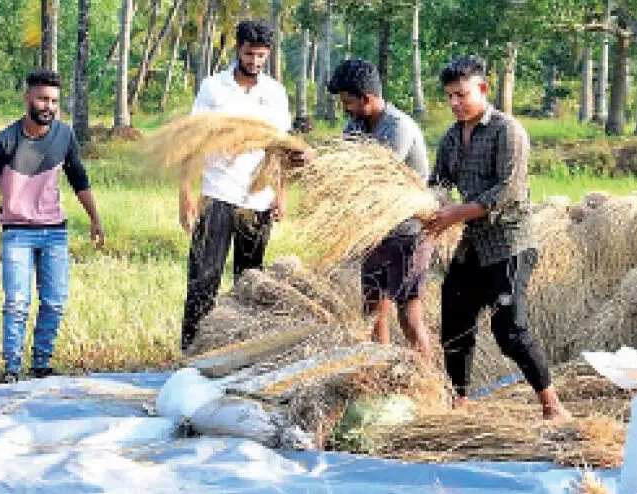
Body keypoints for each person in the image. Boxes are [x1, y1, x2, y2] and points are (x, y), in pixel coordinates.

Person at [423, 56, 569, 419]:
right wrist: (431, 206)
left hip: (510, 242)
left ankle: (552, 406)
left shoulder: (507, 131)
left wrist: (456, 213)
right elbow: (438, 183)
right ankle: (459, 404)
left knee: (509, 330)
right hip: (473, 242)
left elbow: (507, 191)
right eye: (449, 96)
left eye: (461, 95)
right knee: (454, 323)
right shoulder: (451, 138)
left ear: (483, 89)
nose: (454, 103)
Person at [0, 68, 104, 384]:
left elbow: (79, 179)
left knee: (54, 302)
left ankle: (42, 365)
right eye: (42, 99)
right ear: (27, 98)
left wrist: (95, 219)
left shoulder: (64, 135)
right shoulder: (5, 140)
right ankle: (12, 369)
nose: (48, 106)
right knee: (16, 303)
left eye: (53, 101)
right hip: (17, 233)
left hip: (55, 232)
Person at [179, 20, 305, 354]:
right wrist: (186, 194)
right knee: (204, 277)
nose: (255, 62)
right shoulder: (213, 88)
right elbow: (191, 141)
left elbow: (280, 147)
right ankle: (192, 351)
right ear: (238, 49)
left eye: (261, 56)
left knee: (249, 281)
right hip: (217, 194)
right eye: (250, 54)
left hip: (258, 199)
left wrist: (280, 194)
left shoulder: (274, 93)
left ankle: (240, 353)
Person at [327, 59, 433, 359]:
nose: (345, 108)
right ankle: (381, 374)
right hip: (375, 233)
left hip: (409, 233)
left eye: (348, 102)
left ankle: (428, 381)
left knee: (409, 316)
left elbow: (372, 176)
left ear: (367, 98)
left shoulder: (398, 128)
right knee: (373, 312)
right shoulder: (355, 125)